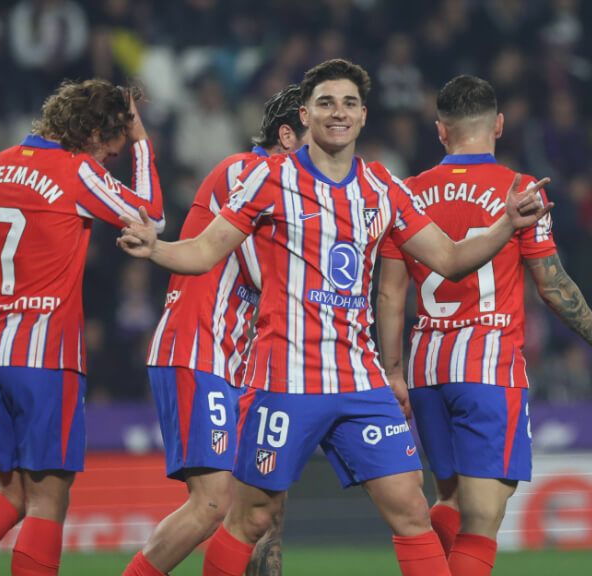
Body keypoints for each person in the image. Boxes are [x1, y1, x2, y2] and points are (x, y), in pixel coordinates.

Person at [116, 59, 552, 576]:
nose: (337, 113)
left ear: (364, 116)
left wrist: (507, 223)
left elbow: (452, 257)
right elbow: (206, 251)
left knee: (412, 510)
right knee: (250, 518)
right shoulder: (269, 179)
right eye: (325, 103)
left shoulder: (384, 188)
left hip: (359, 382)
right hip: (284, 380)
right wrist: (156, 249)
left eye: (348, 103)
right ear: (306, 113)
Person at [0, 79, 164, 576]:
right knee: (47, 500)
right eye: (112, 152)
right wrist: (142, 140)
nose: (108, 164)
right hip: (45, 357)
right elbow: (151, 218)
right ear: (96, 133)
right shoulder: (75, 169)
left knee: (8, 492)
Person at [376, 74, 592, 576]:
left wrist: (393, 370)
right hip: (488, 365)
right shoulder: (520, 192)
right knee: (482, 520)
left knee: (448, 501)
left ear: (439, 131)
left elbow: (389, 292)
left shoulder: (406, 194)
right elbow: (553, 286)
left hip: (427, 367)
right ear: (497, 124)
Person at [123, 84, 307, 576]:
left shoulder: (286, 188)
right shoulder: (246, 172)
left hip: (240, 361)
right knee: (212, 503)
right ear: (288, 137)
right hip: (199, 347)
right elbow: (265, 272)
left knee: (265, 502)